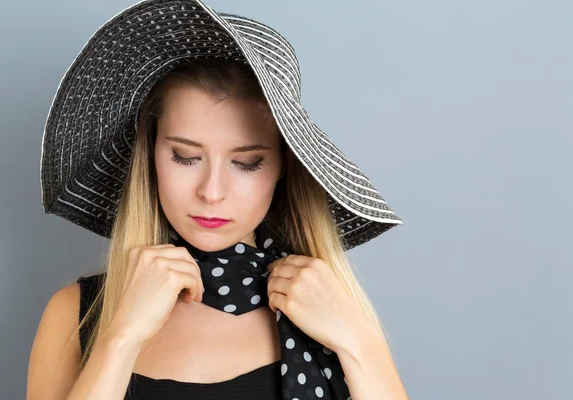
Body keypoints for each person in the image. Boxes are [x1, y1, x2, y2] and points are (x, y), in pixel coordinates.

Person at [27, 1, 407, 399]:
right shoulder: (75, 313)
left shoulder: (328, 307)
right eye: (185, 157)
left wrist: (361, 344)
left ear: (284, 169)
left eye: (246, 163)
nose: (211, 191)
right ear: (150, 156)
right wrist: (120, 337)